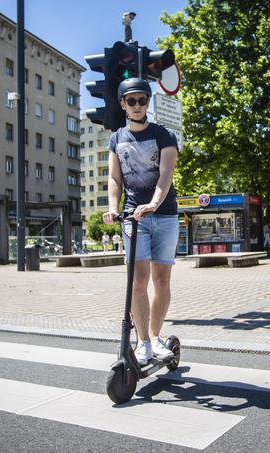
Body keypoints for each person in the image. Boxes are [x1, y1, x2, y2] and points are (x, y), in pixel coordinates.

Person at [103, 78, 179, 366]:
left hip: (165, 215)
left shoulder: (164, 135)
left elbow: (166, 174)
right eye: (131, 101)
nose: (137, 105)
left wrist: (154, 204)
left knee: (161, 281)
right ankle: (143, 343)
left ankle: (156, 337)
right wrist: (113, 208)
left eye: (142, 100)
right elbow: (114, 179)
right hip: (134, 218)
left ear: (148, 102)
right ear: (123, 104)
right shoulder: (116, 139)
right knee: (138, 283)